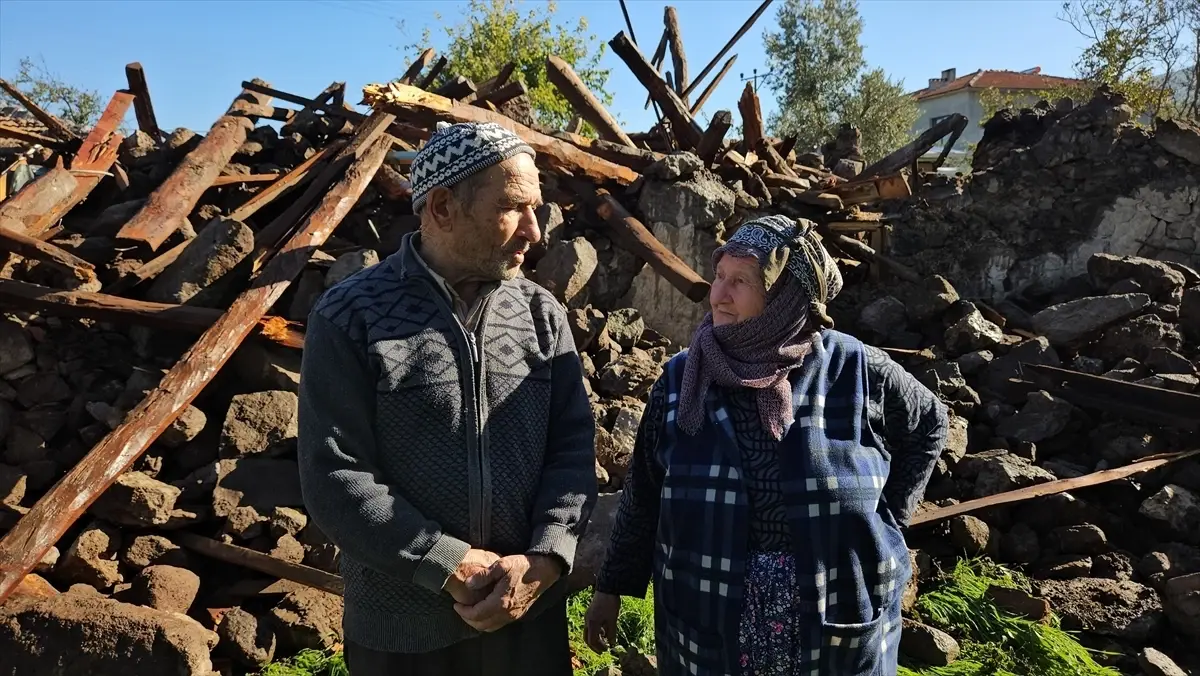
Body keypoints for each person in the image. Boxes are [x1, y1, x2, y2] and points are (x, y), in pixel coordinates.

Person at [584, 214, 948, 676]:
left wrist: (889, 522)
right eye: (719, 276)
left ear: (784, 297)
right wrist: (612, 586)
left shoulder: (855, 369)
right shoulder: (682, 378)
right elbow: (644, 489)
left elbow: (930, 423)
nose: (718, 294)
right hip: (707, 609)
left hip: (833, 607)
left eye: (740, 281)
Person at [297, 121, 597, 676]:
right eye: (513, 207)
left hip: (528, 623)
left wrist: (546, 559)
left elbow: (573, 453)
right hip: (403, 636)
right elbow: (334, 474)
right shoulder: (351, 317)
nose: (535, 231)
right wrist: (445, 561)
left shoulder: (542, 315)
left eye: (537, 207)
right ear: (441, 208)